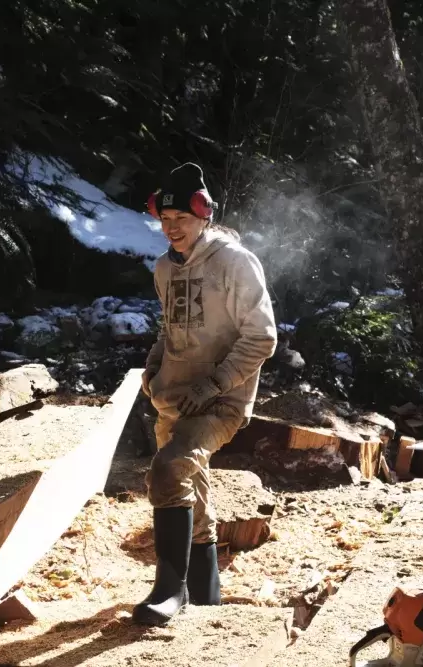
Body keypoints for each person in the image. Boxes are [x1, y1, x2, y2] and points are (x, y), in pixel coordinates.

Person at [135, 162, 277, 626]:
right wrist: (153, 368)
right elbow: (170, 326)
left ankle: (168, 589)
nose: (172, 228)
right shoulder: (164, 268)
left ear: (204, 216)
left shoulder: (236, 263)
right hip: (172, 398)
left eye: (182, 219)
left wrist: (214, 384)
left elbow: (262, 337)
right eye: (165, 219)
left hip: (220, 400)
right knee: (189, 488)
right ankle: (204, 592)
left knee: (170, 467)